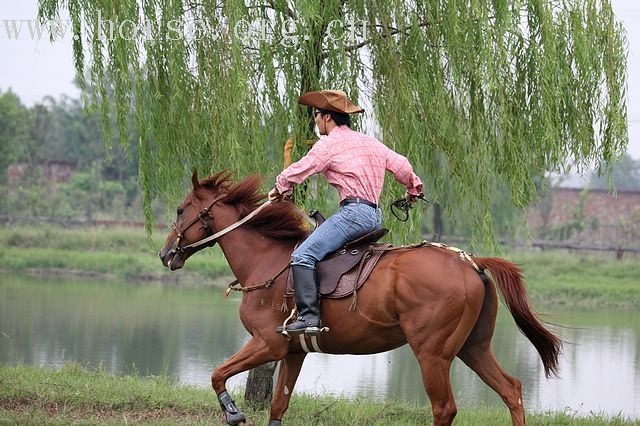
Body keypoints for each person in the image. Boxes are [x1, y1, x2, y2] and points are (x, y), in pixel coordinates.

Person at [269, 90, 423, 335]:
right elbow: (402, 166)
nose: (315, 120)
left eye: (316, 115)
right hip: (374, 216)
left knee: (303, 255)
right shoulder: (371, 142)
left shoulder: (329, 144)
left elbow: (302, 168)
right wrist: (413, 189)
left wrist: (280, 187)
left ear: (328, 117)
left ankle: (309, 318)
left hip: (353, 215)